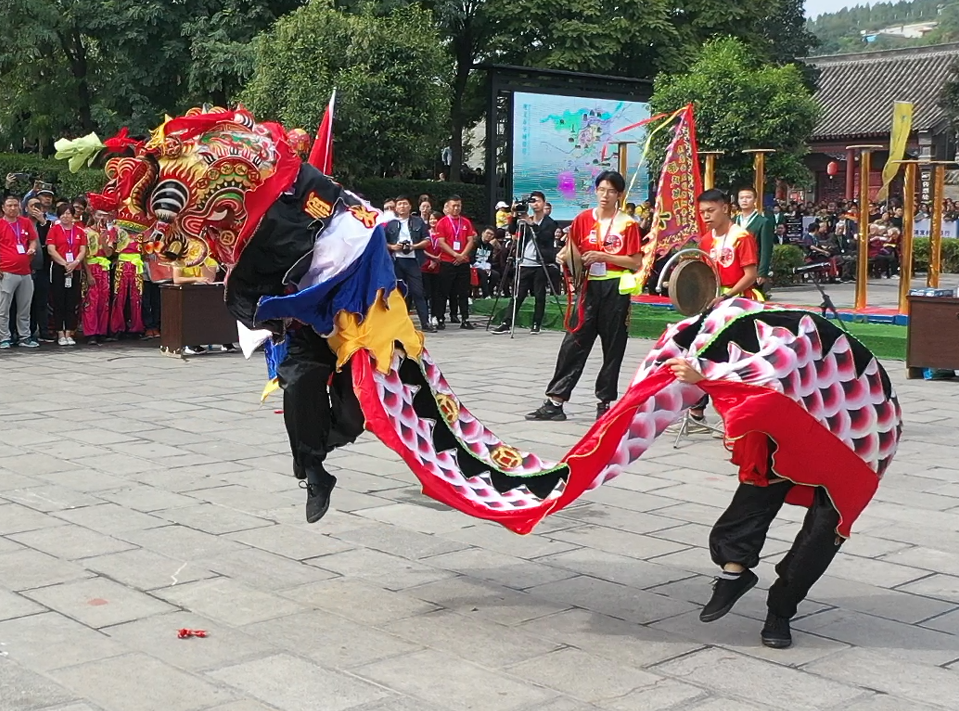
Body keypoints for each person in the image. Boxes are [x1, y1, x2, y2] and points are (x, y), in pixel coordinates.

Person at [667, 356, 847, 649]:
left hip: (843, 439)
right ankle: (733, 572)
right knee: (753, 500)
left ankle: (781, 609)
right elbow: (757, 378)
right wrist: (707, 377)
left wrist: (706, 380)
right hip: (783, 425)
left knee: (825, 530)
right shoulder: (768, 334)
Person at [526, 170, 642, 422]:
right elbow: (572, 249)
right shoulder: (583, 219)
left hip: (615, 288)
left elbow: (635, 262)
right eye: (601, 189)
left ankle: (605, 402)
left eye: (611, 191)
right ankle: (555, 401)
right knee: (574, 342)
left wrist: (604, 257)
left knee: (613, 347)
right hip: (588, 288)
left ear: (619, 195)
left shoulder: (628, 224)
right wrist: (563, 256)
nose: (605, 195)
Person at [686, 189, 763, 429]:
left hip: (739, 303)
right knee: (704, 353)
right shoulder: (706, 240)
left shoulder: (742, 237)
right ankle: (697, 410)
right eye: (702, 212)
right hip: (712, 303)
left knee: (736, 358)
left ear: (725, 208)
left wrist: (727, 295)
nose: (706, 216)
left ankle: (738, 413)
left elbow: (750, 275)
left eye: (711, 210)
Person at [492, 191, 558, 335]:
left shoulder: (549, 222)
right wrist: (515, 216)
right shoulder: (525, 218)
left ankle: (536, 323)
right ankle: (506, 322)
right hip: (524, 262)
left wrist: (531, 223)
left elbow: (545, 237)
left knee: (539, 295)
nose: (535, 204)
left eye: (538, 201)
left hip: (541, 263)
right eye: (533, 201)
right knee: (518, 294)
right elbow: (512, 230)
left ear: (544, 203)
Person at [385, 196, 434, 333]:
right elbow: (382, 242)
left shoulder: (418, 222)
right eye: (399, 204)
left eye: (405, 204)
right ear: (396, 207)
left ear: (410, 206)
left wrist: (413, 246)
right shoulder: (390, 224)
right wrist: (393, 247)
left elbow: (427, 240)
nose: (402, 206)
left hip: (413, 260)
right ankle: (398, 323)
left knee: (418, 292)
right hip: (397, 261)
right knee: (398, 293)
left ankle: (425, 322)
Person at [0, 195, 40, 349]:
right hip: (7, 271)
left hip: (25, 271)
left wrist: (32, 248)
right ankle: (4, 337)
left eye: (15, 205)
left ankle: (24, 337)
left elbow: (33, 239)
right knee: (3, 308)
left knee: (25, 307)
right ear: (3, 208)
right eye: (9, 205)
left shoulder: (25, 222)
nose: (13, 208)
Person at [433, 195, 477, 330]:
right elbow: (441, 242)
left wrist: (462, 255)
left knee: (464, 291)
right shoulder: (442, 223)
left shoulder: (465, 222)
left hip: (463, 261)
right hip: (447, 261)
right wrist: (454, 254)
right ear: (447, 206)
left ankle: (465, 318)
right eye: (454, 205)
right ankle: (440, 318)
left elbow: (471, 239)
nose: (456, 208)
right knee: (443, 291)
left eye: (459, 205)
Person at [47, 204, 86, 346]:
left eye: (69, 213)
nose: (66, 216)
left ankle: (69, 332)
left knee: (72, 301)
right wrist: (64, 264)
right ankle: (60, 333)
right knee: (58, 302)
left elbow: (82, 250)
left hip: (75, 269)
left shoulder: (79, 231)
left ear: (73, 215)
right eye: (63, 214)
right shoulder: (54, 230)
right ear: (59, 216)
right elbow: (51, 250)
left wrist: (75, 263)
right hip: (59, 268)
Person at [81, 212, 115, 345]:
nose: (101, 218)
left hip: (104, 268)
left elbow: (109, 253)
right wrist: (88, 274)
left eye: (104, 216)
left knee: (104, 300)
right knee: (91, 301)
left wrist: (103, 239)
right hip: (91, 266)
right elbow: (83, 255)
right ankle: (91, 332)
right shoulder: (85, 232)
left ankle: (101, 331)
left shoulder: (109, 233)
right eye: (99, 215)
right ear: (93, 215)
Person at [24, 197, 53, 342]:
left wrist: (42, 222)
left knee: (41, 302)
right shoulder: (22, 224)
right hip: (25, 269)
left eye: (38, 206)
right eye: (32, 206)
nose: (35, 209)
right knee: (26, 302)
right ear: (26, 208)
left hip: (43, 268)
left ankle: (44, 331)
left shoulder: (47, 224)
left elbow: (49, 242)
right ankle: (27, 331)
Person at [735, 187, 774, 295]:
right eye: (741, 198)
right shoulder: (733, 221)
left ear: (755, 200)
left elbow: (766, 249)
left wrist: (762, 272)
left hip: (753, 267)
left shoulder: (762, 222)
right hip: (736, 267)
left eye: (748, 197)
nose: (744, 200)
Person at [109, 225, 145, 338]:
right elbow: (111, 248)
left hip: (136, 264)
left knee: (137, 296)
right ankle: (117, 327)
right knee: (119, 295)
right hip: (122, 264)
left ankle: (137, 327)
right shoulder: (115, 227)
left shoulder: (144, 227)